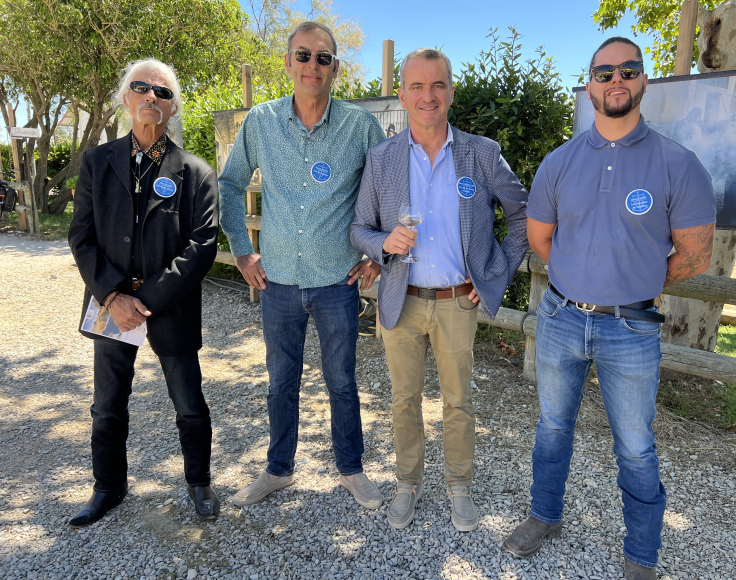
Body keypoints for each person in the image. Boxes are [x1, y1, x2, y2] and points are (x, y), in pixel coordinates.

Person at [502, 38, 716, 580]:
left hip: (632, 326)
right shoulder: (560, 162)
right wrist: (583, 280)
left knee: (637, 447)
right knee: (552, 427)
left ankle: (641, 554)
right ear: (590, 83)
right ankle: (544, 515)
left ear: (644, 80)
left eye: (628, 69)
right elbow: (541, 240)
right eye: (604, 72)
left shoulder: (678, 164)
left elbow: (696, 253)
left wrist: (636, 283)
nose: (615, 79)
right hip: (561, 317)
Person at [350, 48, 529, 532]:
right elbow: (359, 228)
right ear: (402, 94)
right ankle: (407, 481)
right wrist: (382, 243)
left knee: (458, 402)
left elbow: (522, 215)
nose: (427, 96)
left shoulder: (481, 153)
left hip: (456, 302)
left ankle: (459, 485)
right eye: (417, 86)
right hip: (401, 299)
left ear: (450, 92)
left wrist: (496, 273)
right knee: (403, 401)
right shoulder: (382, 158)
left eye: (437, 85)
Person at [218, 22, 386, 510]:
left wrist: (378, 253)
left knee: (342, 382)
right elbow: (230, 183)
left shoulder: (359, 126)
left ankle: (351, 468)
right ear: (289, 62)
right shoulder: (261, 121)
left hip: (337, 280)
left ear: (336, 67)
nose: (314, 65)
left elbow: (389, 186)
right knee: (280, 382)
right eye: (304, 55)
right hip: (277, 283)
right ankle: (278, 470)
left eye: (323, 57)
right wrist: (241, 250)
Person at [68, 58, 220, 527]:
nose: (152, 96)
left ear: (172, 107)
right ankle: (107, 487)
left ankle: (199, 482)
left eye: (163, 92)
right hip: (111, 304)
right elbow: (81, 237)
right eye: (142, 87)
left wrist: (146, 301)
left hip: (168, 306)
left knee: (189, 403)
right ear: (125, 98)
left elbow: (203, 245)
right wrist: (113, 297)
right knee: (106, 406)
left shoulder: (195, 171)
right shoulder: (97, 162)